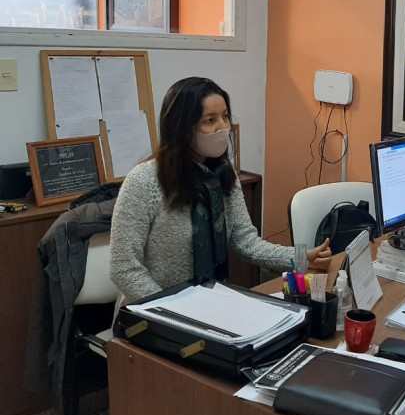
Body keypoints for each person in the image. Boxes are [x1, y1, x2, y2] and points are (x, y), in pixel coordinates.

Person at [110, 76, 332, 307]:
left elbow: (246, 242)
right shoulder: (145, 181)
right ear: (182, 127)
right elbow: (123, 268)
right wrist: (172, 309)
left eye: (225, 116)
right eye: (210, 120)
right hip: (151, 313)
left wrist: (300, 258)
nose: (223, 127)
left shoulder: (224, 175)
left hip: (209, 304)